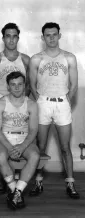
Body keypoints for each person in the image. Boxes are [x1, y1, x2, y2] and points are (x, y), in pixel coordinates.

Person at [28, 22, 79, 199]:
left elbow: (73, 85)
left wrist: (66, 101)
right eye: (47, 35)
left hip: (62, 103)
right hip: (43, 103)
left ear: (59, 35)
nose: (51, 38)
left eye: (54, 34)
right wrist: (40, 100)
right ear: (43, 37)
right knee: (40, 146)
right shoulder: (36, 58)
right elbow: (32, 85)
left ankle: (70, 183)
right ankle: (38, 181)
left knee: (65, 147)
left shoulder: (69, 57)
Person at [0, 23, 30, 193]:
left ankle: (16, 179)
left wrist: (19, 100)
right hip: (1, 101)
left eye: (14, 36)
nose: (11, 39)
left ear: (18, 38)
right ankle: (3, 180)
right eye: (8, 36)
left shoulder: (25, 59)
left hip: (20, 103)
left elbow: (29, 86)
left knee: (19, 138)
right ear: (3, 38)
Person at [0, 71, 40, 209]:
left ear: (24, 85)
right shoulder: (0, 104)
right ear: (8, 87)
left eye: (20, 84)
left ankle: (17, 191)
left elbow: (33, 130)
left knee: (35, 156)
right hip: (5, 138)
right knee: (1, 155)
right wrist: (9, 147)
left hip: (24, 137)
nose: (17, 87)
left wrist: (22, 146)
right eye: (13, 85)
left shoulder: (31, 104)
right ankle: (15, 191)